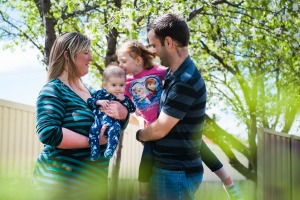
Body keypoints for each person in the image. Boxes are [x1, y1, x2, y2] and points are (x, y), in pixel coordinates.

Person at [118, 39, 242, 200]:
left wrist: (157, 52)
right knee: (146, 158)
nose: (120, 65)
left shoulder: (156, 71)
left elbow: (174, 74)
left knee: (201, 147)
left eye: (123, 61)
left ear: (138, 60)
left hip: (170, 121)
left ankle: (228, 182)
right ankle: (143, 193)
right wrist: (138, 117)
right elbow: (127, 104)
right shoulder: (127, 83)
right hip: (151, 126)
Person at [33, 32, 129, 199]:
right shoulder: (54, 90)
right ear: (68, 55)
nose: (91, 57)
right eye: (85, 52)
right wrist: (92, 141)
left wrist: (123, 113)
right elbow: (48, 132)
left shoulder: (93, 93)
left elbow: (116, 121)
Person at [87, 65, 135, 160]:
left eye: (121, 85)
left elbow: (132, 109)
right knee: (93, 132)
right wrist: (98, 102)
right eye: (114, 85)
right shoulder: (100, 94)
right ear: (105, 85)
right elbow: (89, 101)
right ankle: (94, 151)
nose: (118, 88)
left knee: (116, 129)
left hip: (113, 123)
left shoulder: (123, 98)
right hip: (98, 122)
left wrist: (124, 99)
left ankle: (110, 150)